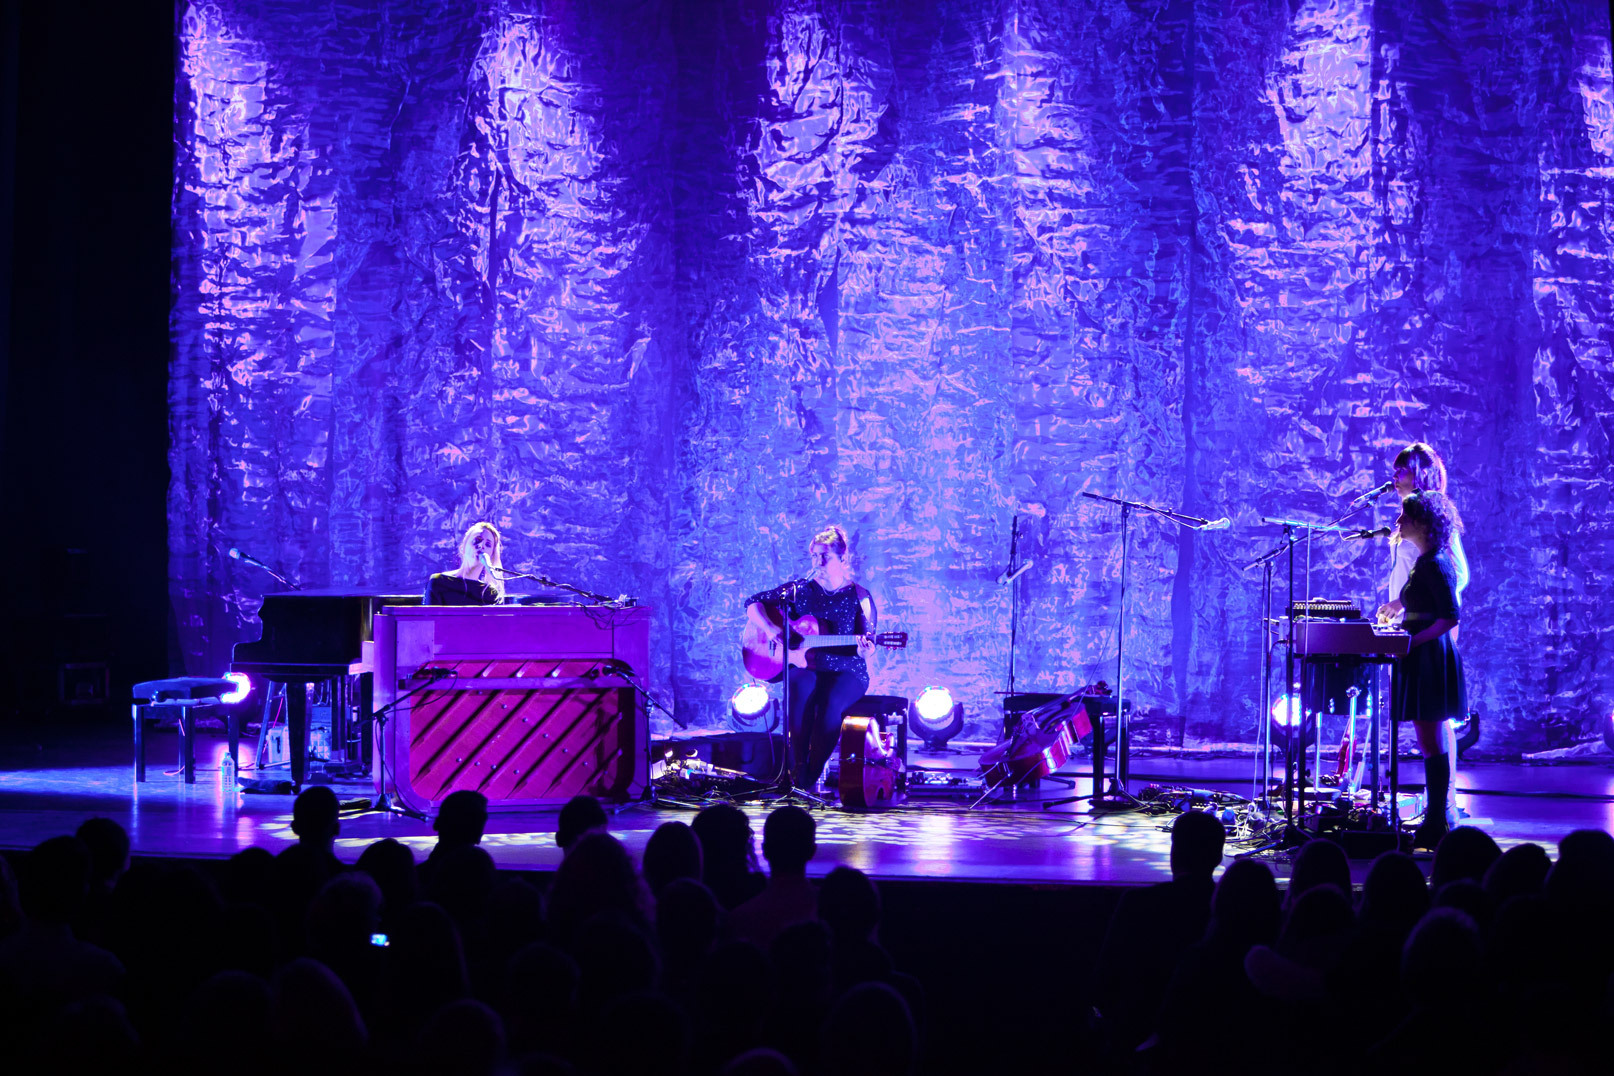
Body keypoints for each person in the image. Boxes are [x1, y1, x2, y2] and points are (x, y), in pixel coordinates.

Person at [744, 525, 879, 790]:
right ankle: (794, 769)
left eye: (824, 556)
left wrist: (865, 649)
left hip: (847, 670)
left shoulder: (859, 596)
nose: (818, 562)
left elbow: (869, 642)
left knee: (829, 702)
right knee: (798, 685)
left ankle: (808, 777)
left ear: (842, 559)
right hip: (807, 664)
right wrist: (773, 630)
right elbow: (752, 604)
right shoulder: (798, 591)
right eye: (814, 556)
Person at [1377, 442, 1469, 824]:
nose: (1395, 477)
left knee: (1435, 722)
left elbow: (1456, 578)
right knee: (1425, 726)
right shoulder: (1411, 518)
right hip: (1411, 629)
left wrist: (1418, 619)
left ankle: (1442, 806)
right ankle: (1437, 808)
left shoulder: (1429, 518)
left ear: (1419, 472)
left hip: (1426, 636)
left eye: (1402, 470)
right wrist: (1400, 605)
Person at [424, 521, 504, 605]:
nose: (481, 546)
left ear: (491, 555)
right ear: (463, 547)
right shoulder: (439, 582)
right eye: (477, 540)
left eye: (488, 544)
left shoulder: (490, 593)